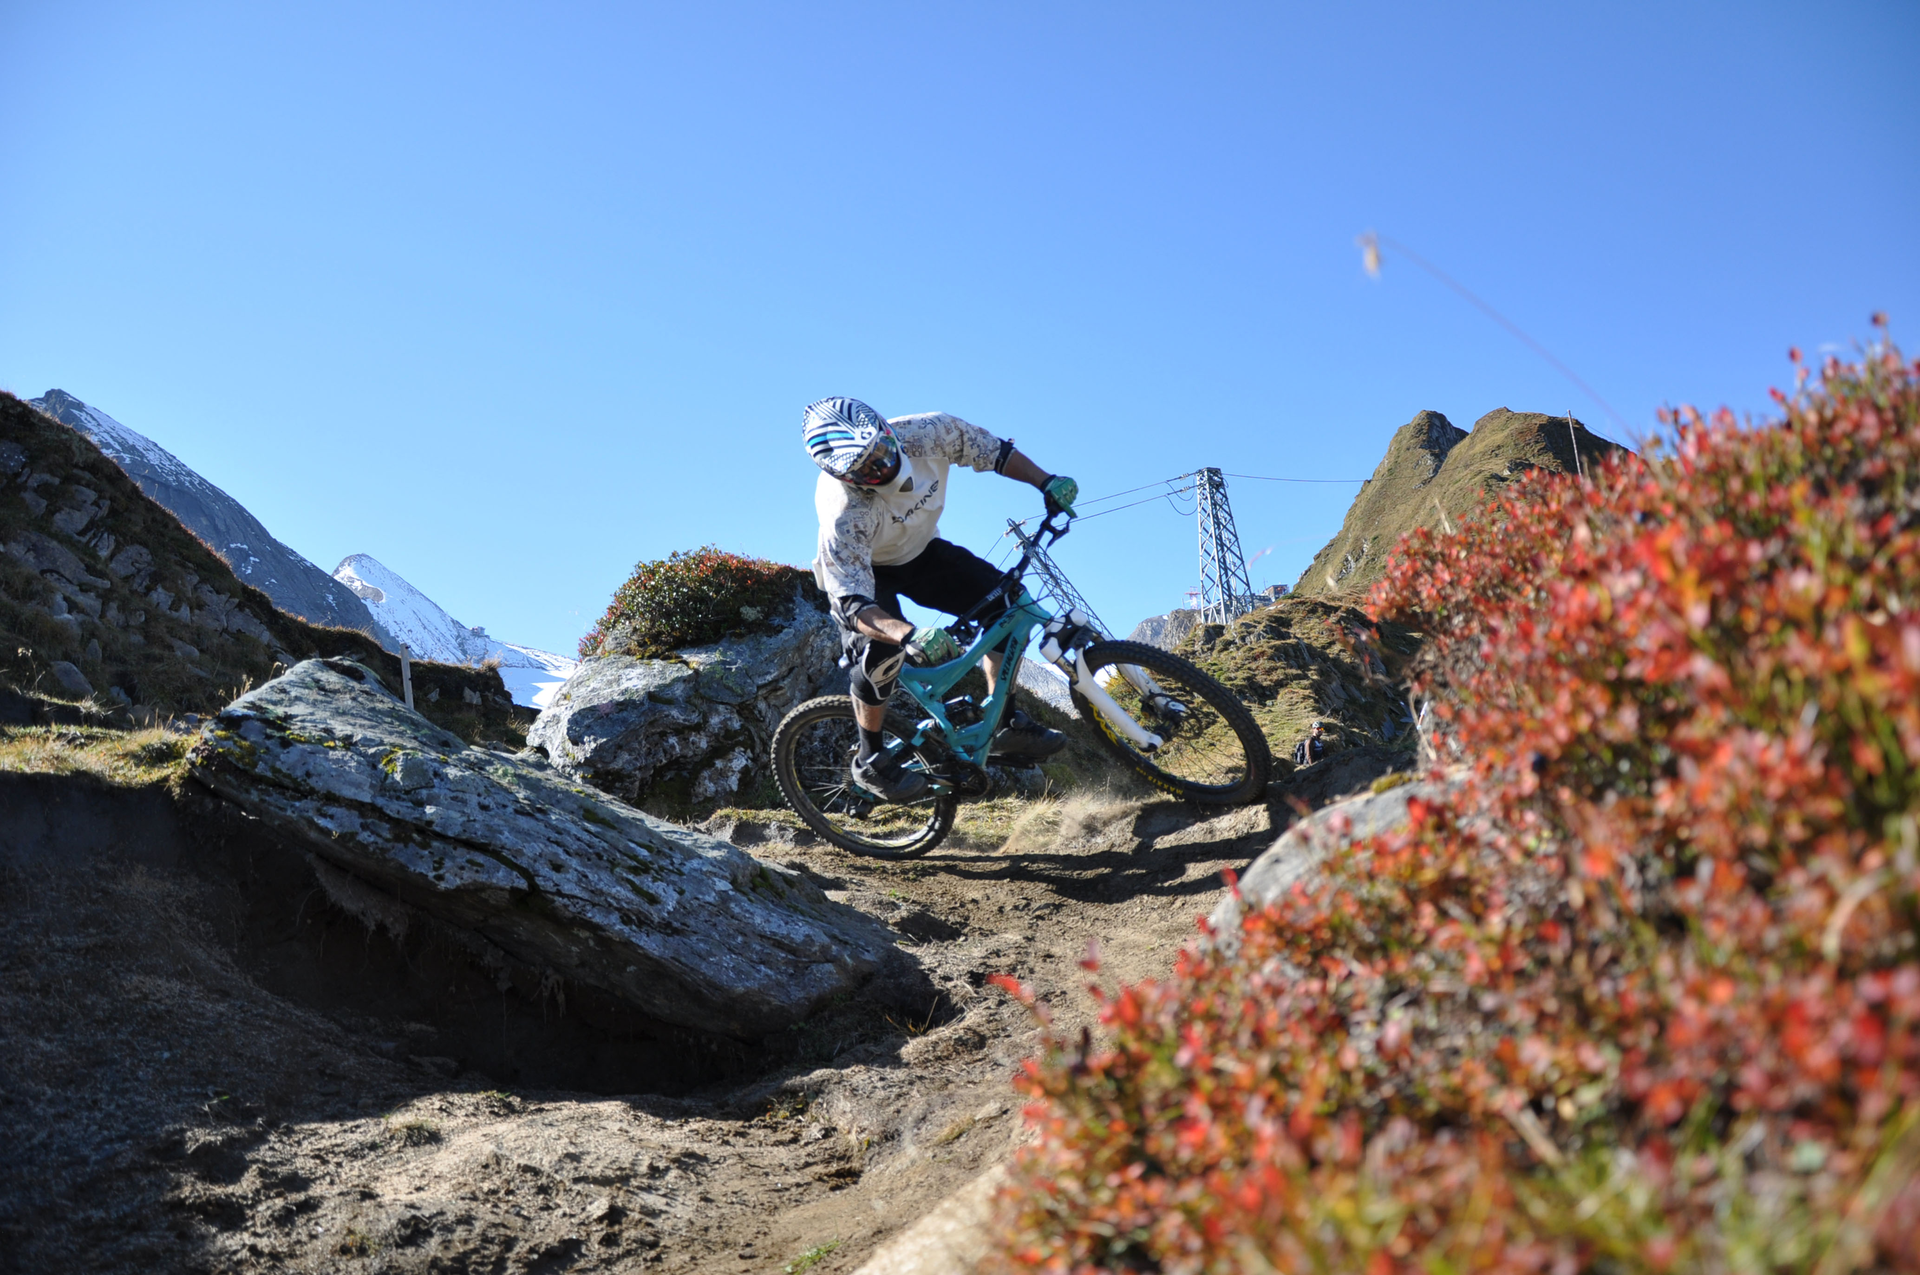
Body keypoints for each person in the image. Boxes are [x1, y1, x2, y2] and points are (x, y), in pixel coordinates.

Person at [804, 397, 1075, 802]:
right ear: (843, 476)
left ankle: (1004, 722)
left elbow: (996, 453)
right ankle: (870, 758)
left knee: (1009, 606)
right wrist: (907, 634)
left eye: (881, 452)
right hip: (867, 577)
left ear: (888, 432)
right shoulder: (844, 511)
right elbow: (850, 603)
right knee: (882, 653)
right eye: (864, 470)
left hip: (922, 552)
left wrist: (1046, 481)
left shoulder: (929, 432)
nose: (880, 469)